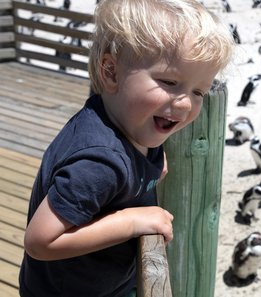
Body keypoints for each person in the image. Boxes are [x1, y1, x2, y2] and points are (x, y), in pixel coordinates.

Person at [18, 0, 234, 296]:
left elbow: (132, 171)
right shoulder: (99, 163)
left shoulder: (125, 124)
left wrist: (151, 170)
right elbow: (40, 242)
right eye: (169, 81)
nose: (185, 102)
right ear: (111, 73)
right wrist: (130, 221)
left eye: (199, 91)